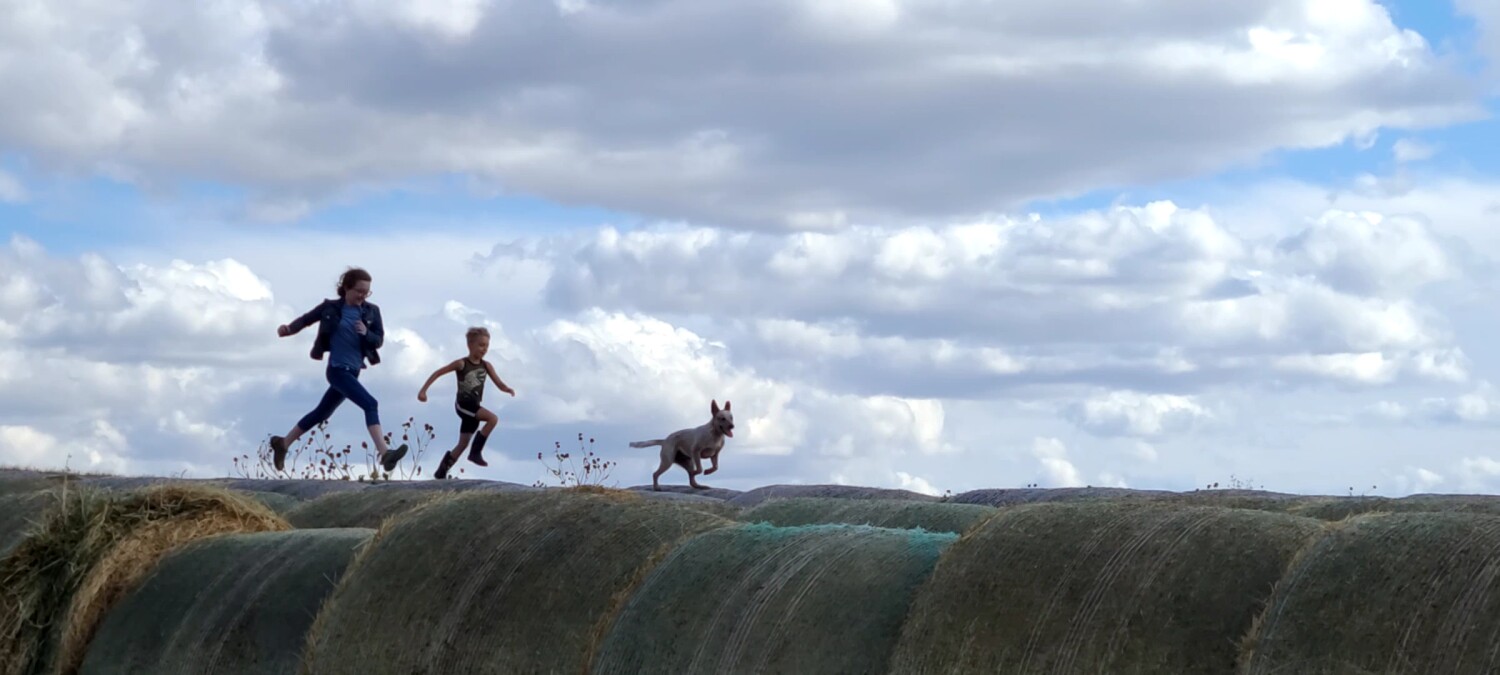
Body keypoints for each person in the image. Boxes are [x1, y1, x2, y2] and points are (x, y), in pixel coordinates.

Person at [268, 267, 408, 474]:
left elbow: (378, 340)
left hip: (353, 372)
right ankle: (385, 453)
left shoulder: (372, 311)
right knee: (370, 404)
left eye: (367, 292)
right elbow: (306, 319)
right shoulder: (330, 308)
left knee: (322, 413)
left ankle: (283, 443)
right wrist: (289, 329)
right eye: (359, 291)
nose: (363, 296)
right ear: (346, 288)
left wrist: (366, 332)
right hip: (337, 370)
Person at [417, 326, 515, 479]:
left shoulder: (486, 365)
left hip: (474, 408)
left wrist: (507, 389)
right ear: (470, 345)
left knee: (463, 444)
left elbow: (499, 383)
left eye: (487, 346)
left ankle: (441, 472)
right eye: (481, 345)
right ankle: (475, 452)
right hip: (464, 405)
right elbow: (438, 372)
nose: (484, 349)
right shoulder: (461, 364)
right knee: (492, 419)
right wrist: (423, 391)